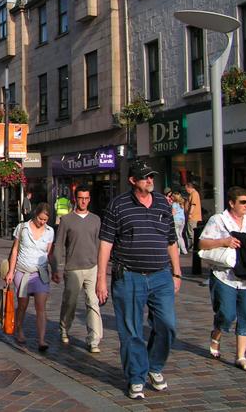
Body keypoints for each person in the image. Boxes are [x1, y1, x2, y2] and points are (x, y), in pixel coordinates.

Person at [96, 159, 181, 400]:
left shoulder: (163, 204)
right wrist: (102, 278)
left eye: (152, 176)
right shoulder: (118, 205)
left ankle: (153, 366)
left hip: (161, 275)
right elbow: (106, 243)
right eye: (145, 177)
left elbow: (171, 240)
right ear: (133, 181)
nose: (150, 180)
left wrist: (177, 272)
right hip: (129, 276)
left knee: (167, 325)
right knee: (131, 331)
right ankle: (136, 377)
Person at [200, 186, 246, 372]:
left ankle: (241, 356)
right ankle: (217, 332)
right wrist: (224, 241)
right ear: (231, 203)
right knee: (227, 314)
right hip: (225, 275)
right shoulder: (218, 220)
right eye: (243, 202)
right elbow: (202, 243)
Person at [51, 186, 102, 353]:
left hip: (92, 267)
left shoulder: (96, 220)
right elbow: (58, 245)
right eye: (81, 198)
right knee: (70, 303)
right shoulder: (67, 220)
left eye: (87, 198)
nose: (84, 201)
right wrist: (56, 267)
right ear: (75, 199)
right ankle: (64, 328)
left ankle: (94, 339)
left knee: (93, 302)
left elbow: (100, 245)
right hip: (73, 268)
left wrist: (101, 269)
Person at [4, 203, 55, 352]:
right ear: (35, 215)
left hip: (40, 272)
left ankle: (41, 340)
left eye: (45, 220)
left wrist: (55, 269)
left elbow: (49, 254)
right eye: (40, 219)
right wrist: (10, 271)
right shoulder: (22, 228)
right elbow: (15, 250)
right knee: (23, 305)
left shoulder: (50, 232)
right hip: (23, 271)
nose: (42, 222)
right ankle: (19, 329)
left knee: (41, 306)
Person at [184, 181, 202, 249]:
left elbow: (193, 204)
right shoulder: (193, 194)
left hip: (193, 217)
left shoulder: (194, 194)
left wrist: (190, 214)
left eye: (186, 189)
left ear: (189, 188)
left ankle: (193, 247)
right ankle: (192, 246)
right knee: (191, 232)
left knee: (191, 233)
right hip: (193, 217)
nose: (186, 190)